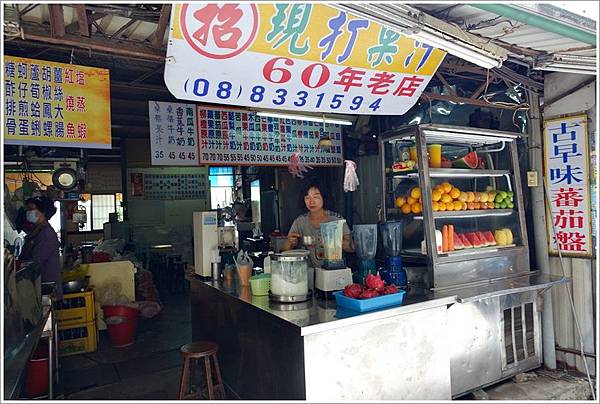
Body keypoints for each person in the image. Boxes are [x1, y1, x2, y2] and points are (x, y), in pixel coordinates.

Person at [283, 182, 353, 268]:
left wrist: (333, 240)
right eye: (307, 198)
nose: (311, 202)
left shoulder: (336, 219)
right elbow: (284, 251)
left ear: (324, 197)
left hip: (333, 271)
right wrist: (290, 242)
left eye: (316, 197)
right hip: (307, 273)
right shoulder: (300, 222)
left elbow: (351, 247)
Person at [19, 196, 63, 300]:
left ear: (43, 212)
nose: (28, 213)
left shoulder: (46, 234)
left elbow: (35, 262)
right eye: (28, 210)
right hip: (40, 285)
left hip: (46, 287)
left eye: (31, 210)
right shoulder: (37, 230)